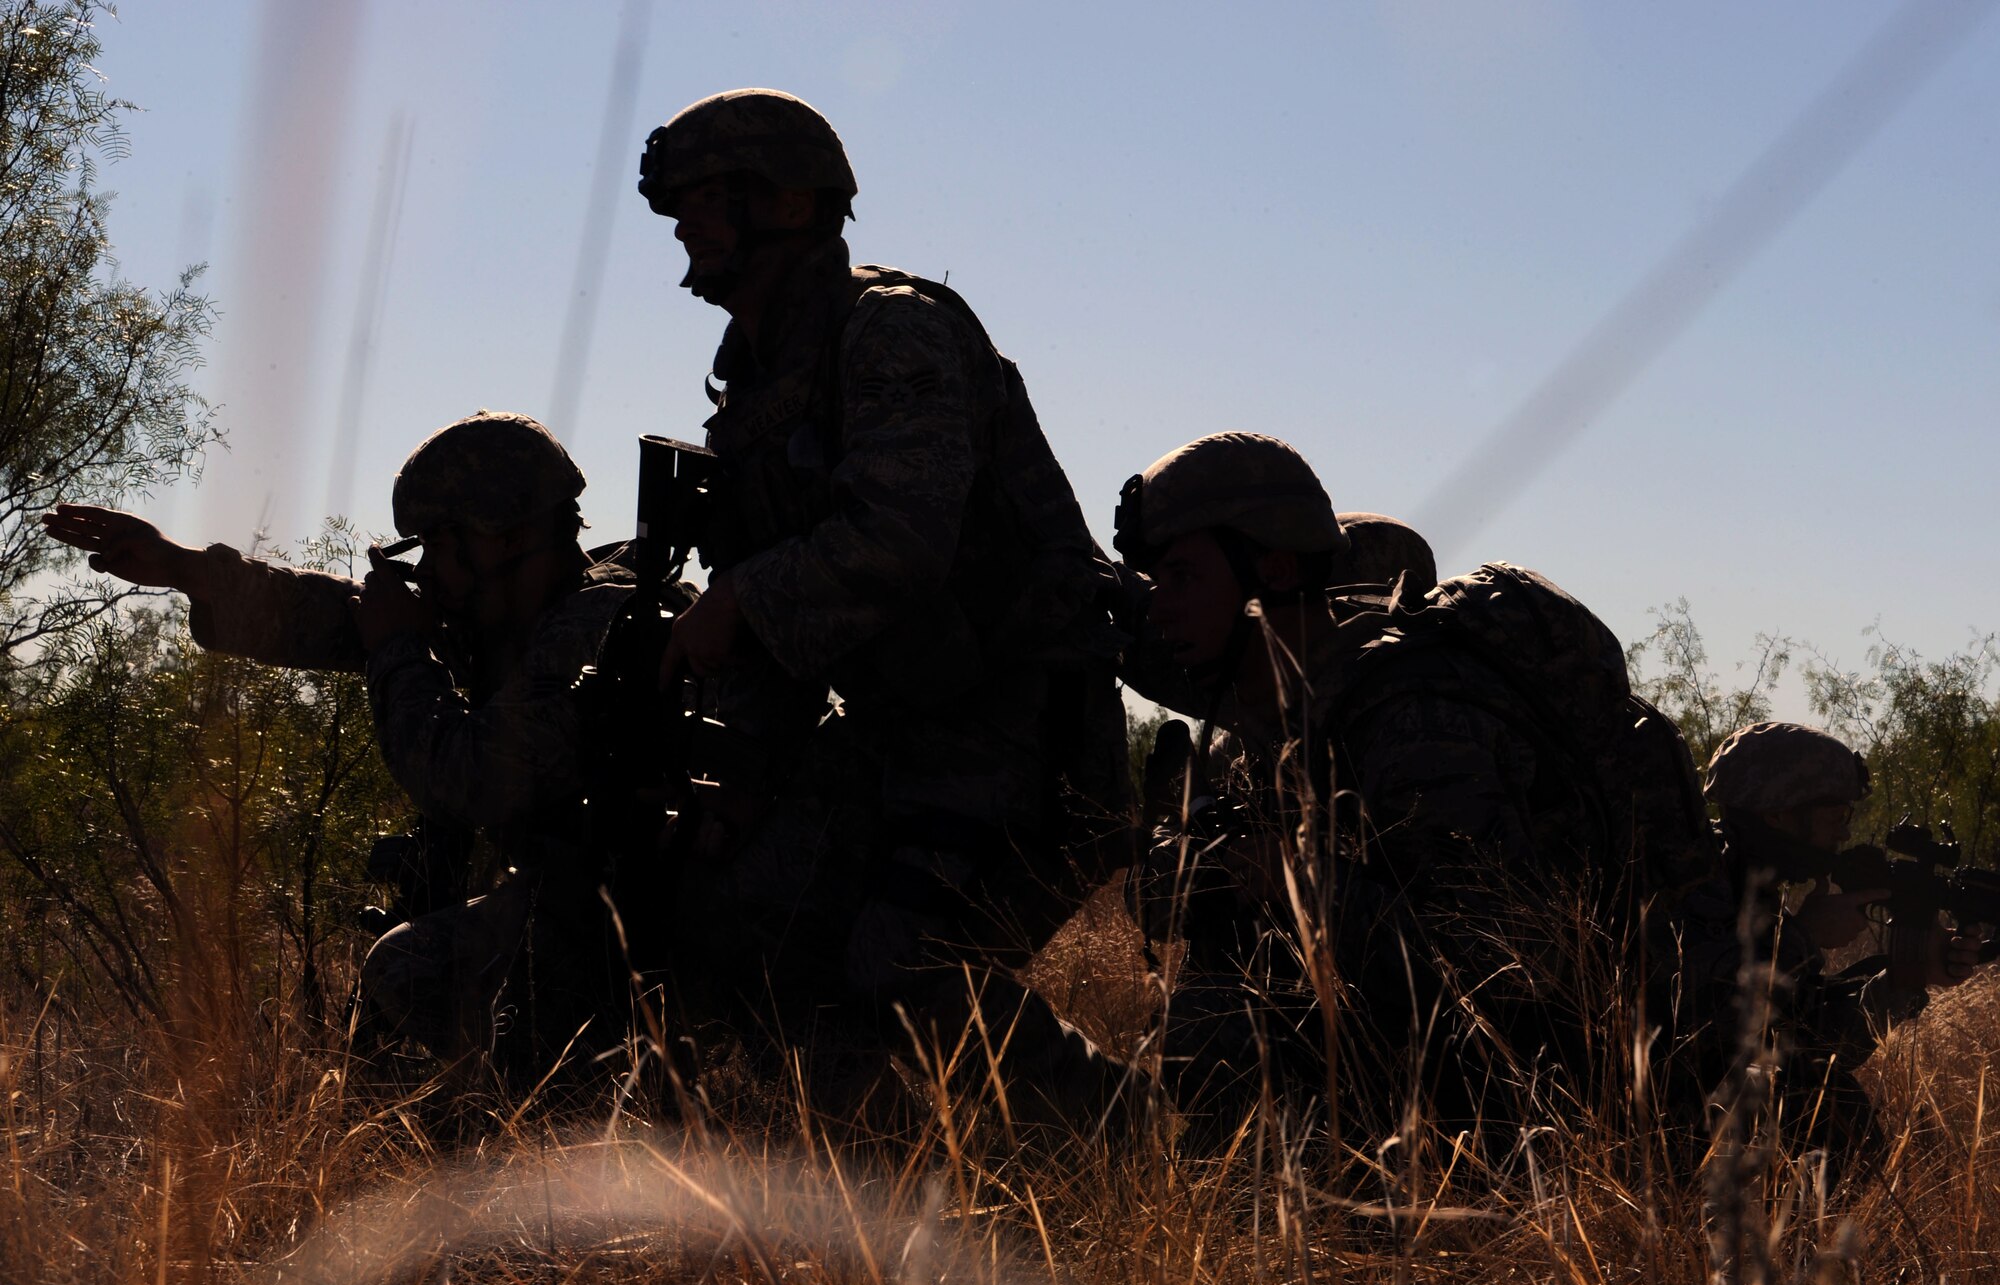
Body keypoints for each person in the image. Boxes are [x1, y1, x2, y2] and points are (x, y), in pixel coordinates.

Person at [633, 89, 1129, 1113]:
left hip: (1023, 726)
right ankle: (857, 1177)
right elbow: (780, 633)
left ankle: (1135, 1142)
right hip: (902, 731)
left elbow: (897, 541)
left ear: (786, 204)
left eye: (706, 200)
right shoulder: (760, 384)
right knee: (746, 915)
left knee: (902, 969)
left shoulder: (890, 332)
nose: (685, 227)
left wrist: (736, 599)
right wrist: (741, 776)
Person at [1115, 431, 1706, 1141]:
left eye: (1182, 579)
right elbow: (1167, 905)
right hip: (1422, 1076)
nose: (1159, 608)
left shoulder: (1414, 718)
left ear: (1270, 571)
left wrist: (1299, 881)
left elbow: (1500, 962)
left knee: (1223, 1027)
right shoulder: (1269, 732)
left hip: (1547, 1097)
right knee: (1213, 999)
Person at [42, 412, 642, 1084]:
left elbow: (468, 780)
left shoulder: (598, 627)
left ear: (510, 537)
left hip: (646, 924)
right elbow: (332, 614)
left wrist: (397, 650)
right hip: (584, 908)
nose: (431, 575)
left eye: (442, 548)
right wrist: (186, 569)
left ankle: (560, 1113)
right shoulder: (512, 611)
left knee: (408, 967)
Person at [1678, 721, 1981, 1168]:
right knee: (1811, 1097)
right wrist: (1805, 937)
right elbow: (1707, 1025)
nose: (1843, 835)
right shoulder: (1691, 883)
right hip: (1658, 1125)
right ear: (1777, 814)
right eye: (1835, 817)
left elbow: (1818, 1036)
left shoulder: (1753, 888)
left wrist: (1904, 979)